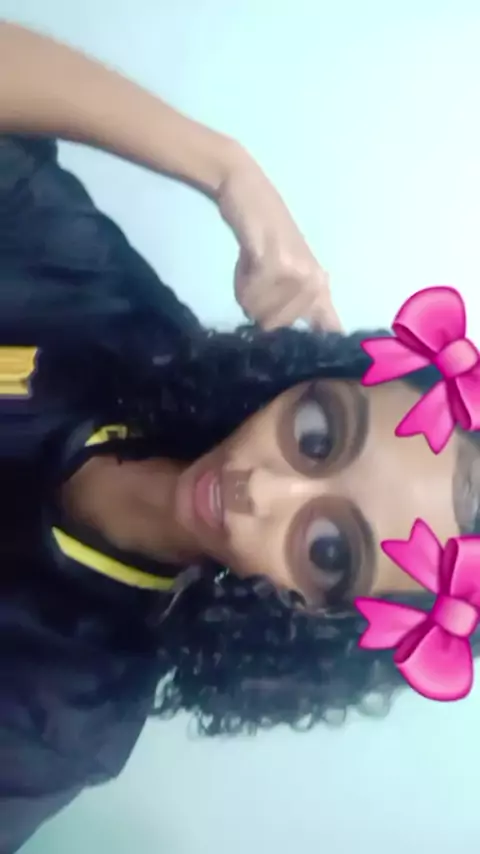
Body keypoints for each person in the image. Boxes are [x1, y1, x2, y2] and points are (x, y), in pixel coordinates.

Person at [0, 21, 478, 853]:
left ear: (325, 616)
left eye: (327, 549)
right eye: (318, 434)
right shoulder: (111, 309)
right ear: (317, 376)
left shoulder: (63, 717)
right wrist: (225, 168)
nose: (264, 490)